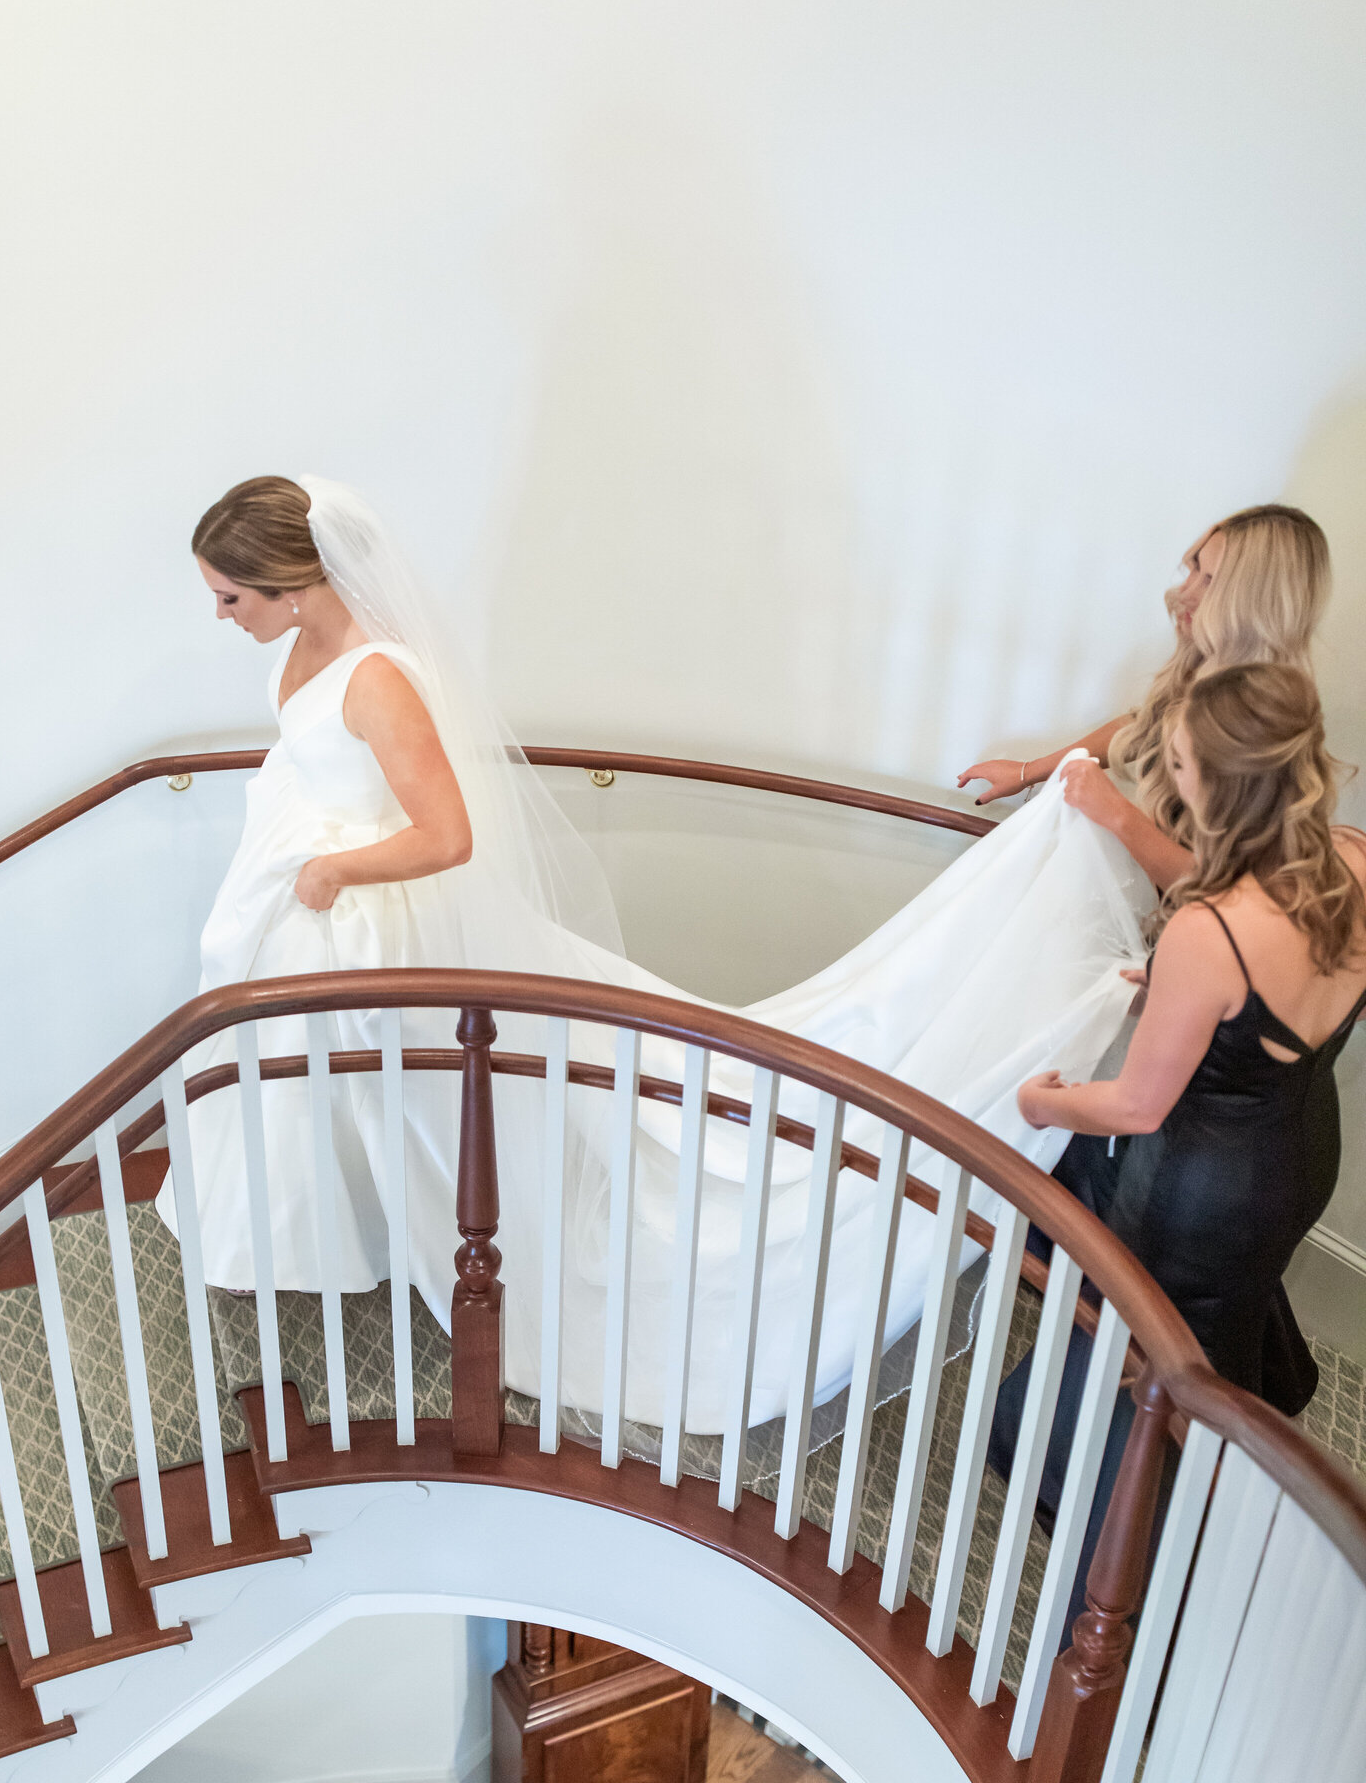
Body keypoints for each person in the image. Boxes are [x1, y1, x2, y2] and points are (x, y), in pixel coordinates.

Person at [160, 474, 1154, 1441]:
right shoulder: (302, 641)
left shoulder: (377, 681)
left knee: (417, 1103)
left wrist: (336, 870)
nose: (220, 616)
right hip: (309, 904)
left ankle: (441, 1251)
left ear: (293, 584)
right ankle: (348, 1239)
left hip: (370, 914)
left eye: (229, 597)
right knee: (321, 1097)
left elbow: (448, 834)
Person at [993, 662, 1366, 1635]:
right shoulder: (1351, 859)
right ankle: (1224, 1416)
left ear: (1223, 785)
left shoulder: (1210, 930)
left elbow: (1134, 1109)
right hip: (1293, 1150)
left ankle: (1127, 1564)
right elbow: (1282, 1004)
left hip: (1196, 1184)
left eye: (1185, 761)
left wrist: (1044, 1100)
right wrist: (1187, 1001)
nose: (1173, 771)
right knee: (1213, 1317)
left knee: (1144, 1340)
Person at [958, 505, 1332, 891]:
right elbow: (1148, 725)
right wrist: (1028, 771)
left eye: (1209, 582)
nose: (1183, 594)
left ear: (1254, 602)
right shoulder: (1207, 670)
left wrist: (1116, 813)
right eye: (1192, 570)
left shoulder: (1260, 717)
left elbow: (1222, 897)